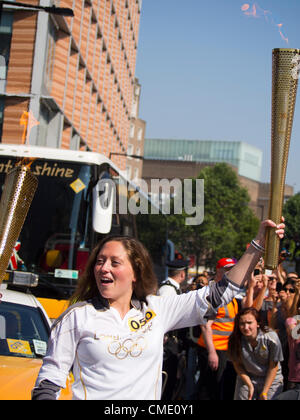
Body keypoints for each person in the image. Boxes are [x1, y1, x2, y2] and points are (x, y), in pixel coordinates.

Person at [32, 219, 285, 400]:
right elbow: (49, 380)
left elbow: (221, 292)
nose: (103, 268)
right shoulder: (78, 316)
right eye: (99, 261)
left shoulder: (157, 309)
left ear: (135, 271)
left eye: (114, 262)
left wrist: (258, 245)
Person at [197, 257, 240, 400]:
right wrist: (212, 352)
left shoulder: (228, 292)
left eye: (232, 269)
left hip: (226, 349)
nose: (230, 272)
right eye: (227, 269)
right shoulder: (211, 292)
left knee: (222, 388)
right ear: (218, 270)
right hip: (214, 349)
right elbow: (205, 326)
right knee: (211, 390)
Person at [227, 307, 284, 400]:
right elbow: (237, 365)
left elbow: (273, 367)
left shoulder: (271, 338)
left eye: (249, 323)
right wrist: (249, 385)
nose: (246, 327)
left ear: (258, 323)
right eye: (242, 324)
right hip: (247, 377)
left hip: (270, 379)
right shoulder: (235, 340)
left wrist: (264, 392)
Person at [157, 259, 189, 400]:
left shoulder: (172, 288)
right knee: (166, 379)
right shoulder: (168, 290)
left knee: (171, 380)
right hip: (167, 342)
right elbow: (160, 316)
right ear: (182, 274)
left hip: (172, 341)